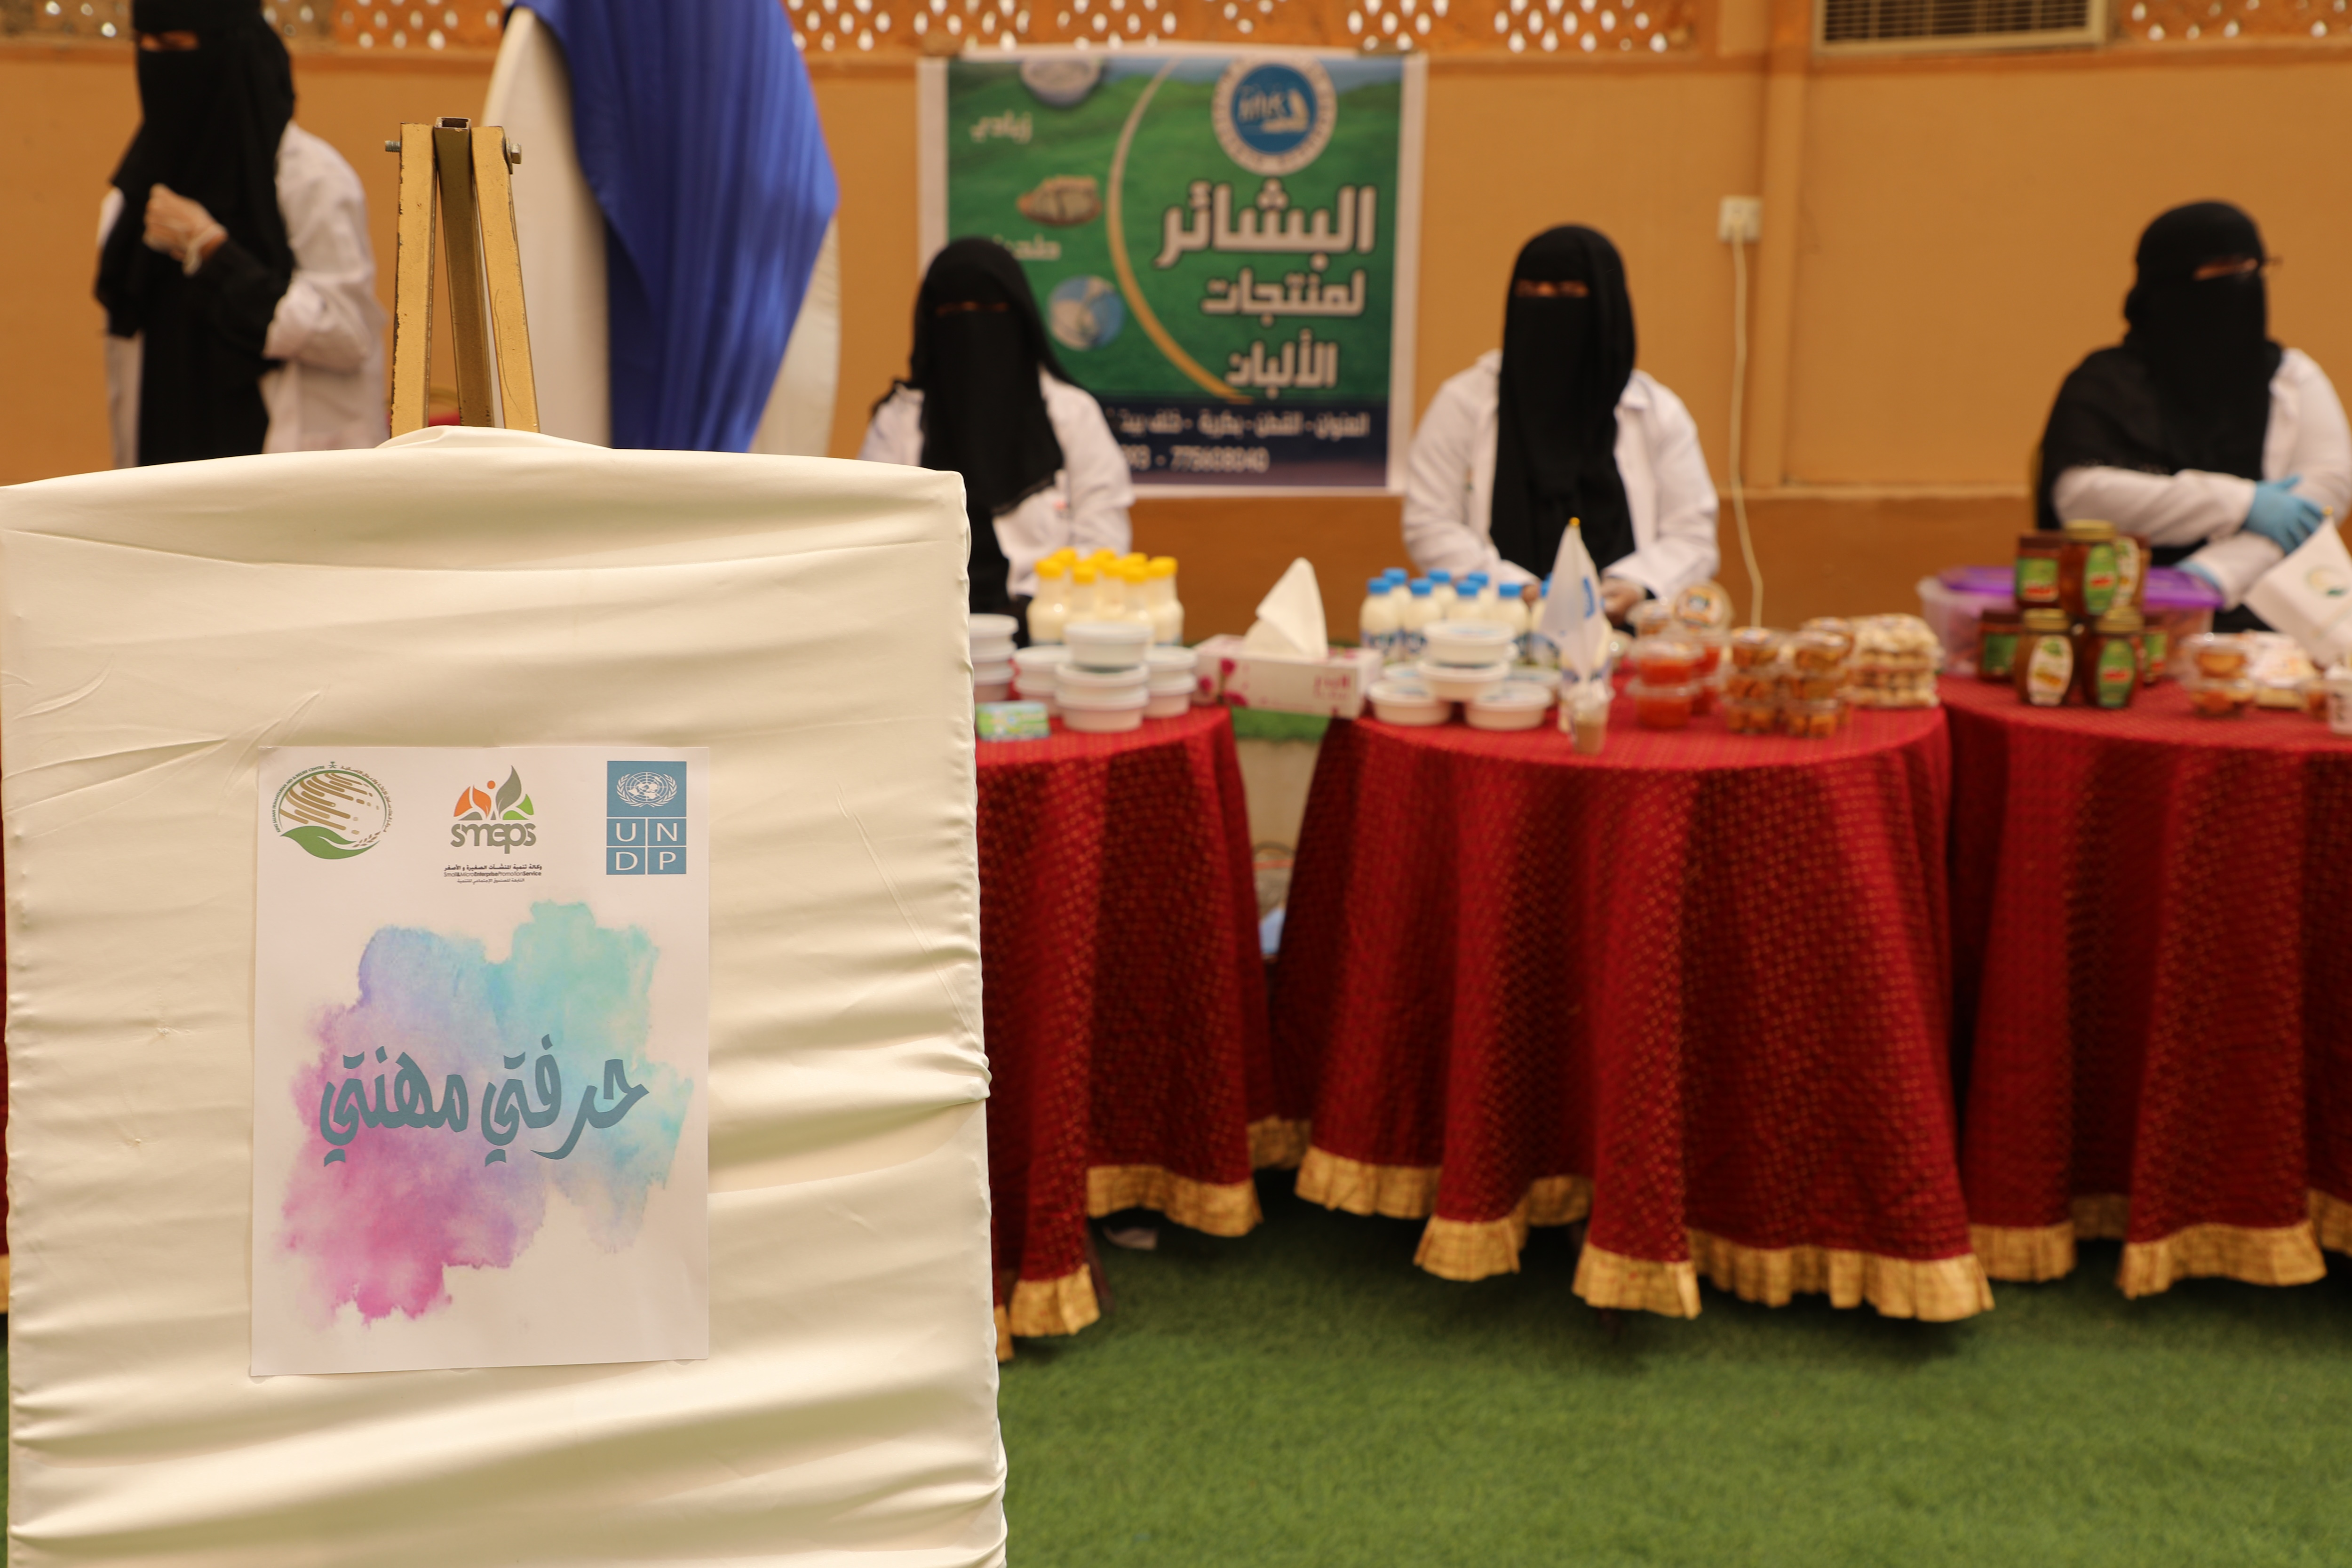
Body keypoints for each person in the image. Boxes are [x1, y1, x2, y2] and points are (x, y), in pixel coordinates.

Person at [2037, 201, 2351, 631]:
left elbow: (2324, 488)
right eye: (2222, 271)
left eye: (2253, 267)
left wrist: (2212, 577)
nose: (2242, 284)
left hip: (2271, 622)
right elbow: (2083, 495)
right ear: (2166, 284)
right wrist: (2240, 503)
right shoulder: (2104, 384)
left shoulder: (2291, 377)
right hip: (2119, 617)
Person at [97, 0, 385, 469]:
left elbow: (349, 335)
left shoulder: (310, 179)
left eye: (172, 46)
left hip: (280, 476)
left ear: (228, 52)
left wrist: (214, 252)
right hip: (162, 467)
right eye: (142, 44)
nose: (154, 63)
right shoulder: (134, 196)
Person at [1403, 225, 1718, 622]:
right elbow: (1430, 523)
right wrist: (1520, 591)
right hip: (1496, 634)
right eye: (1531, 295)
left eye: (1569, 295)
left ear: (1607, 309)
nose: (1548, 312)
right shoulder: (1465, 403)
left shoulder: (1656, 412)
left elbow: (1692, 536)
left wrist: (1633, 585)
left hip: (1627, 642)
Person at [858, 238, 1132, 619]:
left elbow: (1105, 545)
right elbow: (874, 543)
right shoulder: (899, 420)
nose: (973, 334)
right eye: (954, 313)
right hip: (929, 631)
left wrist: (1037, 611)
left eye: (989, 311)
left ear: (1019, 320)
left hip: (1052, 638)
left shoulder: (1072, 414)